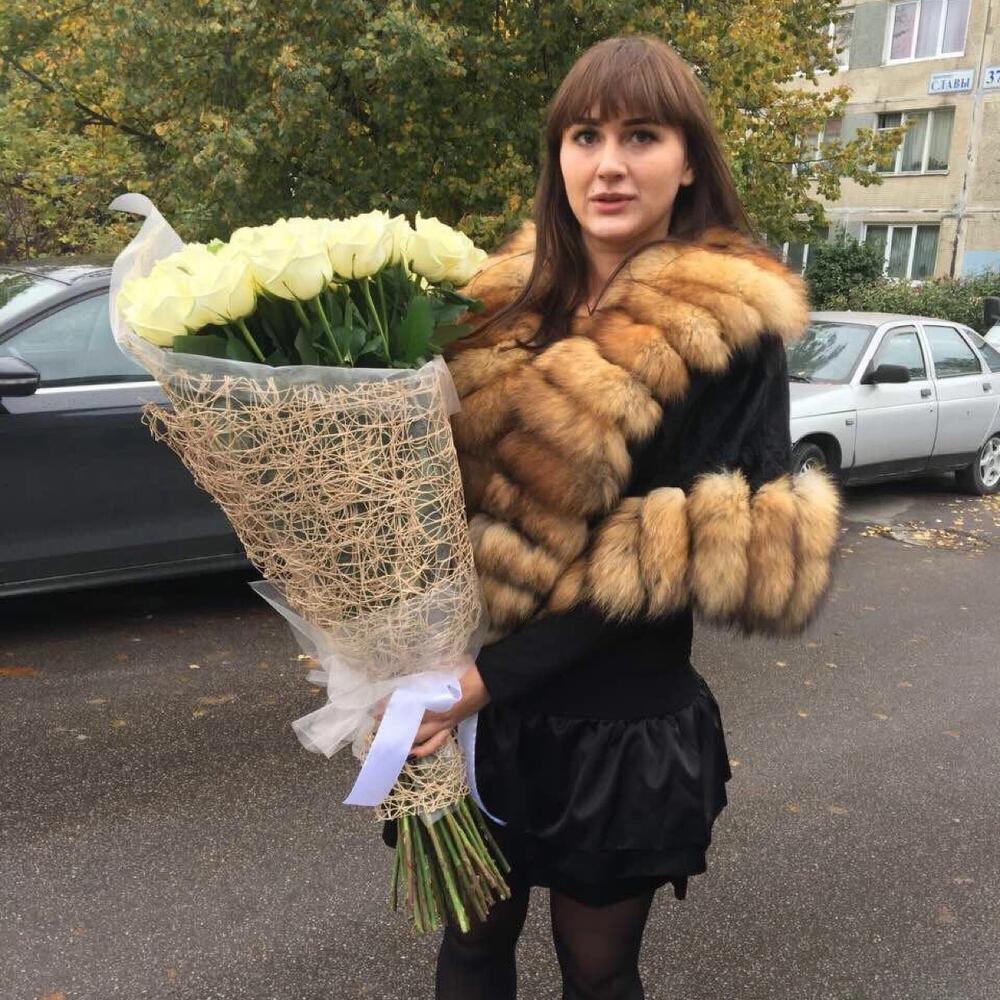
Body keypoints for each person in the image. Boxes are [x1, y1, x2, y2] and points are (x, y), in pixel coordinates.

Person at [384, 34, 840, 1000]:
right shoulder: (490, 306)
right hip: (472, 706)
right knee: (470, 949)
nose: (609, 164)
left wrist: (481, 682)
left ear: (689, 162)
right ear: (558, 154)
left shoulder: (726, 324)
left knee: (597, 972)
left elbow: (661, 561)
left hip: (611, 719)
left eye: (642, 136)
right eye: (585, 135)